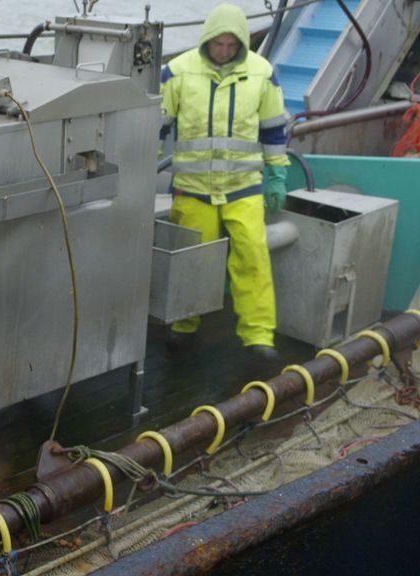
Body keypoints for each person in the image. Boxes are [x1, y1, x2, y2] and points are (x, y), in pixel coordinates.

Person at [159, 3, 289, 360]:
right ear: (208, 40)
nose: (225, 52)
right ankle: (184, 324)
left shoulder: (262, 73)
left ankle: (259, 335)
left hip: (243, 188)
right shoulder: (176, 72)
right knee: (190, 260)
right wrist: (143, 170)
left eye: (233, 46)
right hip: (192, 189)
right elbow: (158, 127)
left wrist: (277, 174)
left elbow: (274, 128)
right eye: (219, 45)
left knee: (252, 257)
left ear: (242, 44)